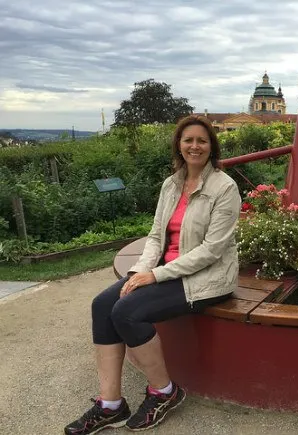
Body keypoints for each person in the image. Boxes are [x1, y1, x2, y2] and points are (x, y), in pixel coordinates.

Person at [64, 115, 241, 434]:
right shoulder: (171, 184)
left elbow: (211, 251)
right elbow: (156, 237)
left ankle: (164, 392)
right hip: (165, 271)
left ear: (211, 146)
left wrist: (156, 276)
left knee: (127, 312)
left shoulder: (224, 188)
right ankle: (111, 405)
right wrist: (139, 271)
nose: (195, 146)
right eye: (188, 140)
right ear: (179, 145)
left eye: (202, 140)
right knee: (102, 305)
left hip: (206, 279)